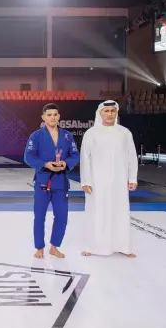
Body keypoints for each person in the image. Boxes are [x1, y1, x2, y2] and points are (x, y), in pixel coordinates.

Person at [79, 100, 138, 258]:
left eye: (113, 111)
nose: (110, 114)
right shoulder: (91, 133)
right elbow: (85, 158)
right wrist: (85, 181)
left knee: (120, 212)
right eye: (107, 111)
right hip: (97, 181)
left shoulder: (125, 133)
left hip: (119, 181)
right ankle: (92, 246)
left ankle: (123, 246)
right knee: (96, 212)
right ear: (100, 113)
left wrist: (132, 178)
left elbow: (132, 156)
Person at [24, 103, 80, 259]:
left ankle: (54, 247)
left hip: (61, 181)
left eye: (55, 114)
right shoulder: (35, 136)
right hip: (43, 180)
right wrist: (45, 164)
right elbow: (28, 156)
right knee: (40, 215)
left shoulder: (67, 136)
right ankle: (39, 248)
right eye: (49, 115)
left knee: (62, 216)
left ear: (59, 116)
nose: (52, 117)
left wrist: (65, 164)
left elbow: (75, 155)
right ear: (43, 117)